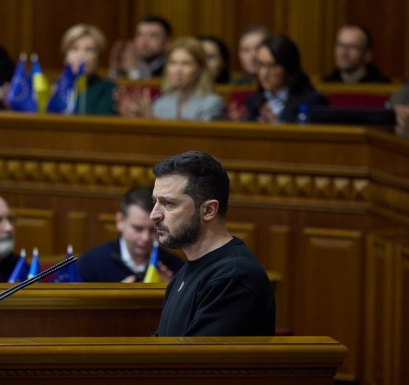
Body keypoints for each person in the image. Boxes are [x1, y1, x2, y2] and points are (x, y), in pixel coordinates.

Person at [149, 150, 275, 336]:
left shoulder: (232, 278)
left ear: (208, 210)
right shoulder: (187, 271)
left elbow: (196, 354)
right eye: (155, 202)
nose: (154, 215)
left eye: (169, 203)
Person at [78, 186, 183, 282]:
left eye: (153, 230)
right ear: (120, 221)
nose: (145, 238)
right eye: (138, 229)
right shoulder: (90, 264)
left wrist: (171, 289)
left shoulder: (176, 267)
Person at [118, 37, 226, 121]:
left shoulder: (213, 103)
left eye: (186, 63)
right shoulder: (161, 103)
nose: (178, 70)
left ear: (200, 68)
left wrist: (153, 118)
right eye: (173, 63)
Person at [240, 33, 328, 123]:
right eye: (261, 65)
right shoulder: (253, 102)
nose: (264, 73)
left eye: (272, 66)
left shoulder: (312, 102)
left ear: (288, 68)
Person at [60, 24, 116, 115]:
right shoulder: (55, 88)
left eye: (89, 50)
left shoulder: (107, 89)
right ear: (65, 56)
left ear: (99, 58)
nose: (81, 55)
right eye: (74, 48)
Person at [109, 16, 172, 80]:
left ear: (167, 43)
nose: (144, 41)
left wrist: (133, 70)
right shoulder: (128, 65)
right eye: (140, 34)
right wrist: (117, 71)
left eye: (153, 36)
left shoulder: (170, 68)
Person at [323, 25, 391, 84]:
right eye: (340, 45)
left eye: (352, 46)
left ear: (367, 54)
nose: (343, 52)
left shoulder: (383, 86)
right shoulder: (325, 85)